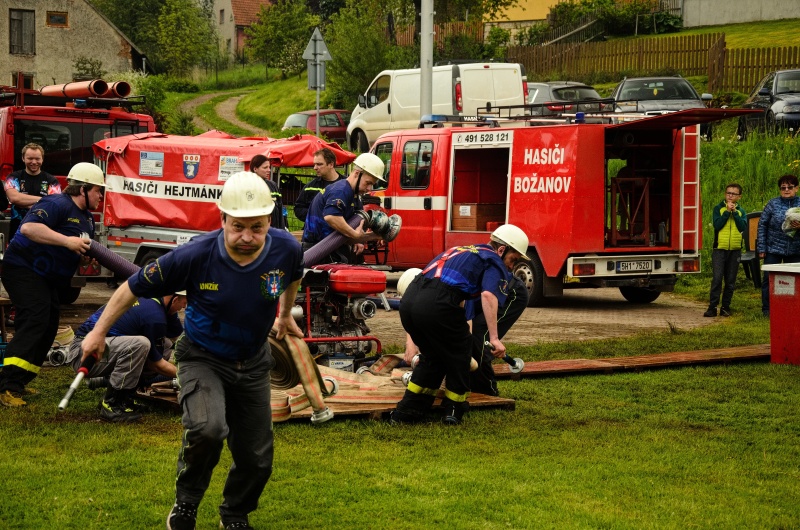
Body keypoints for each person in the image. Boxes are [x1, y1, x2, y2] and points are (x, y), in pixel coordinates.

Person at [79, 171, 304, 530]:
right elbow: (131, 286)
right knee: (207, 429)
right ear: (223, 219)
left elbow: (293, 275)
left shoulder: (286, 248)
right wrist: (98, 333)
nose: (247, 237)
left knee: (257, 457)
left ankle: (235, 514)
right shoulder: (195, 255)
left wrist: (285, 313)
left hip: (253, 361)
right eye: (238, 227)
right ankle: (186, 504)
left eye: (257, 227)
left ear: (269, 221)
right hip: (203, 357)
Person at [391, 224, 530, 425]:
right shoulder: (493, 260)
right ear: (501, 250)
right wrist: (494, 338)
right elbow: (488, 295)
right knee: (461, 355)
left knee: (433, 358)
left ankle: (406, 413)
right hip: (438, 304)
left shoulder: (460, 250)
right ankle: (453, 412)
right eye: (513, 260)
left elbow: (458, 303)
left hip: (409, 303)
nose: (511, 267)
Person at [0, 162, 102, 407]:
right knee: (36, 318)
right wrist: (68, 242)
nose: (101, 196)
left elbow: (77, 248)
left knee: (48, 326)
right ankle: (7, 386)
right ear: (83, 189)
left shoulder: (87, 219)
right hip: (23, 269)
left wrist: (83, 257)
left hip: (47, 279)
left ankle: (21, 380)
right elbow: (29, 228)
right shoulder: (56, 204)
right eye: (98, 190)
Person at [67, 292, 187, 422]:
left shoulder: (159, 305)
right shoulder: (154, 316)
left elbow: (182, 340)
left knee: (165, 345)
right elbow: (156, 364)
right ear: (175, 299)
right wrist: (188, 375)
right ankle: (112, 404)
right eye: (185, 303)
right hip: (85, 355)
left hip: (102, 348)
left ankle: (125, 399)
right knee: (140, 344)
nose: (184, 307)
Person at [301, 152, 385, 263]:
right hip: (317, 252)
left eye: (372, 184)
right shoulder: (341, 190)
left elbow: (344, 236)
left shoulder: (353, 195)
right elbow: (331, 217)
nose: (369, 188)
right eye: (368, 183)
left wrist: (375, 236)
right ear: (357, 174)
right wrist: (355, 234)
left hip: (331, 250)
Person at [757, 174, 800, 317]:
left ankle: (791, 308)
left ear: (796, 188)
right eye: (783, 188)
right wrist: (762, 248)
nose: (786, 190)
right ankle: (767, 310)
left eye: (790, 187)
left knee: (793, 280)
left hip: (795, 249)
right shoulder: (772, 204)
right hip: (773, 248)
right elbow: (762, 225)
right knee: (768, 279)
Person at [704, 183, 747, 318]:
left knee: (730, 280)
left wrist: (734, 213)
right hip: (719, 249)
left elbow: (742, 227)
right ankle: (712, 307)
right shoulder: (718, 208)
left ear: (739, 197)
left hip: (735, 250)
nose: (730, 196)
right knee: (717, 278)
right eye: (728, 193)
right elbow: (717, 225)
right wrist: (727, 212)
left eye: (734, 194)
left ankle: (725, 307)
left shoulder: (741, 211)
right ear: (725, 194)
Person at [4, 143, 62, 237]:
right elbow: (14, 198)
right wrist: (44, 199)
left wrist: (23, 202)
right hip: (17, 232)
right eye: (30, 158)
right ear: (23, 158)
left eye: (37, 159)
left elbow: (54, 204)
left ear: (42, 159)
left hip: (43, 232)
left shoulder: (52, 181)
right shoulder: (13, 177)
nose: (34, 162)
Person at [293, 147, 345, 223]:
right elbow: (298, 208)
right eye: (314, 164)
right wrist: (315, 216)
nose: (315, 168)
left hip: (340, 227)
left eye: (319, 164)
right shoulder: (310, 187)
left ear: (331, 164)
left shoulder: (346, 185)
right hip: (315, 228)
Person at [249, 154, 287, 230]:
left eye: (269, 167)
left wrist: (282, 231)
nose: (269, 170)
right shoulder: (247, 186)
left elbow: (280, 210)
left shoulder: (273, 185)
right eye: (265, 167)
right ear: (255, 169)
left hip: (274, 232)